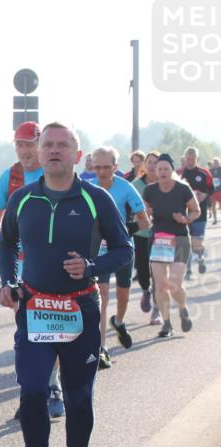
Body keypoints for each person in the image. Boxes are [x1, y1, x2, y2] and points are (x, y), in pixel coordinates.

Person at [0, 122, 132, 447]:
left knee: (78, 397)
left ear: (77, 155)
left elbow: (123, 250)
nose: (54, 150)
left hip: (81, 310)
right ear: (39, 154)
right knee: (34, 391)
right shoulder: (23, 199)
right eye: (48, 145)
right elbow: (6, 244)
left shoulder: (96, 199)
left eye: (63, 145)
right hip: (35, 310)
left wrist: (91, 266)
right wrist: (9, 283)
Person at [0, 122, 64, 418]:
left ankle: (53, 384)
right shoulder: (11, 176)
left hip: (52, 264)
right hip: (20, 264)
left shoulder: (56, 173)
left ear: (41, 145)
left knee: (50, 326)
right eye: (19, 145)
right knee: (27, 328)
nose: (24, 151)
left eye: (29, 144)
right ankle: (35, 390)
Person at [90, 146, 150, 369]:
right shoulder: (89, 188)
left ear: (115, 167)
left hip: (123, 248)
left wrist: (124, 230)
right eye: (98, 167)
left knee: (122, 296)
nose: (102, 171)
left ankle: (119, 322)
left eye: (107, 167)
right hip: (99, 251)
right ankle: (101, 348)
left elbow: (145, 222)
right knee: (102, 294)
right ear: (92, 166)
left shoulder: (126, 188)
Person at [142, 153, 200, 337]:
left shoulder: (182, 189)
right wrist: (147, 213)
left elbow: (196, 210)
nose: (163, 172)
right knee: (160, 285)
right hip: (159, 241)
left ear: (172, 170)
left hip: (181, 240)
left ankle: (182, 308)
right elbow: (143, 214)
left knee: (174, 284)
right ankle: (166, 324)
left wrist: (185, 219)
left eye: (166, 168)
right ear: (155, 172)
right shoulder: (150, 191)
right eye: (160, 169)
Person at [132, 152, 162, 324]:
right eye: (149, 162)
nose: (151, 165)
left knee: (157, 272)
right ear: (145, 165)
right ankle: (145, 290)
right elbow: (129, 206)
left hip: (161, 234)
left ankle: (156, 310)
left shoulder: (165, 183)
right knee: (143, 270)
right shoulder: (136, 184)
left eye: (155, 162)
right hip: (141, 233)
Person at [178, 147, 213, 278]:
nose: (190, 161)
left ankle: (200, 256)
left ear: (196, 159)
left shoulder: (204, 173)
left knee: (196, 243)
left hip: (199, 213)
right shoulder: (179, 173)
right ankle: (188, 271)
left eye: (192, 159)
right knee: (185, 242)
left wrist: (204, 195)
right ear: (184, 158)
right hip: (183, 214)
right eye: (188, 159)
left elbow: (211, 188)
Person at [210, 157, 220, 224]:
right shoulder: (210, 171)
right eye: (214, 162)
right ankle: (215, 219)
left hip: (220, 190)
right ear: (213, 163)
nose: (216, 164)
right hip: (213, 191)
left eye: (217, 162)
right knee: (213, 205)